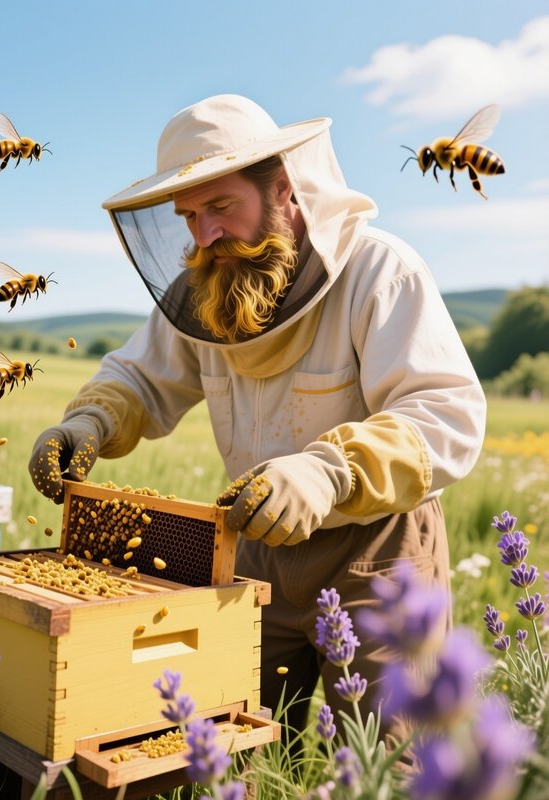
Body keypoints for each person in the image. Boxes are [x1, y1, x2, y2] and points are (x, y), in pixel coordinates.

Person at [28, 94, 486, 743]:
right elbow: (138, 375)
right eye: (189, 215)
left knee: (393, 762)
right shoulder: (204, 289)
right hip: (256, 548)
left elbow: (445, 413)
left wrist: (328, 472)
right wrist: (88, 425)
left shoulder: (378, 270)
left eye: (221, 207)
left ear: (285, 192)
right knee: (245, 749)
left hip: (377, 553)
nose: (204, 234)